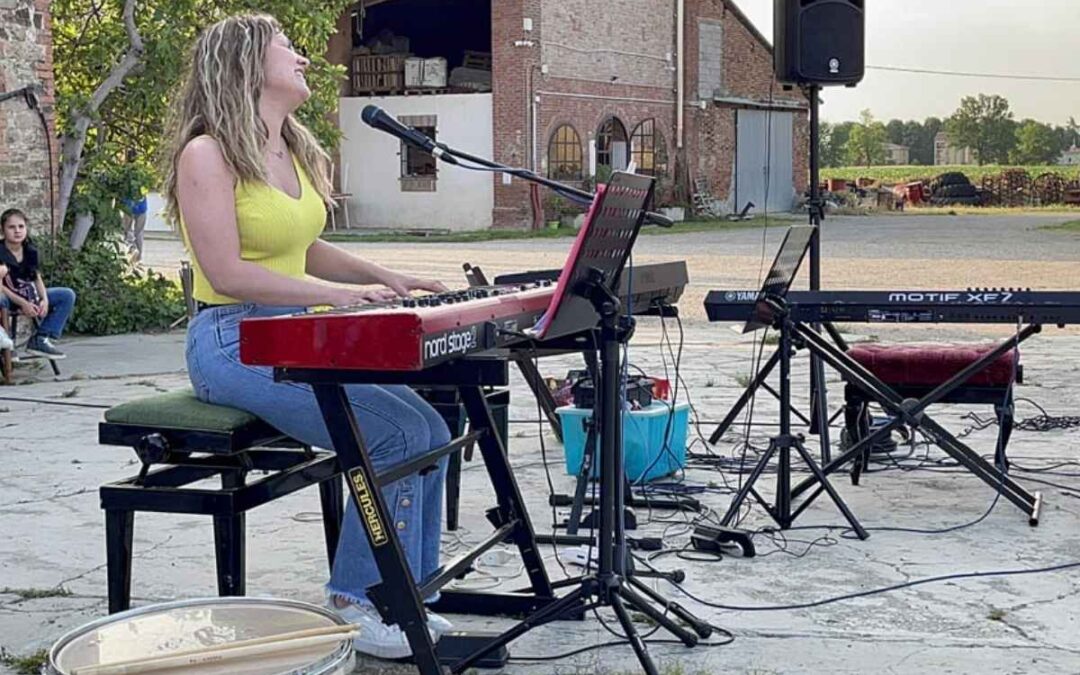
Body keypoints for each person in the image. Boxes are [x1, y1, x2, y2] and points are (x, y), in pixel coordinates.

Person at [161, 14, 452, 660]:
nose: (301, 55)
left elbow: (305, 247)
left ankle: (410, 596)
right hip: (232, 340)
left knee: (429, 428)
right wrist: (344, 299)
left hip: (292, 334)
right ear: (245, 64)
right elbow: (227, 272)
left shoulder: (288, 147)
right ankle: (354, 600)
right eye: (286, 46)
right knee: (394, 432)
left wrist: (388, 277)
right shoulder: (206, 153)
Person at [0, 208, 76, 359]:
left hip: (28, 293)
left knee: (66, 295)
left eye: (21, 226)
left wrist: (44, 300)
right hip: (8, 297)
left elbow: (36, 278)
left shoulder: (30, 250)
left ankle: (40, 338)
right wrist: (23, 303)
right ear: (2, 230)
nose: (17, 231)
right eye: (11, 227)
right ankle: (8, 346)